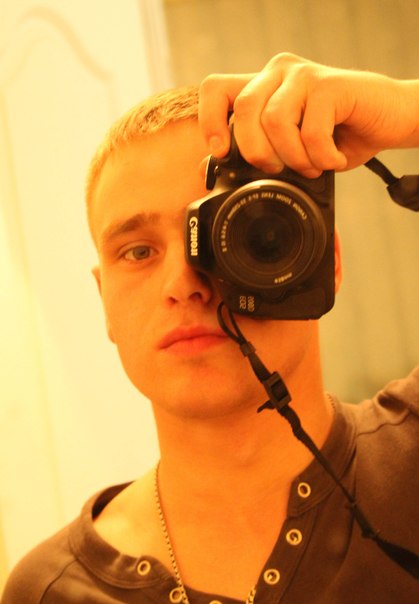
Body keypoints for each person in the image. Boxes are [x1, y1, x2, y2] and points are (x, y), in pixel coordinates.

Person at [2, 53, 419, 603]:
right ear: (105, 302)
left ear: (326, 262)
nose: (183, 283)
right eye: (138, 252)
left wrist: (405, 108)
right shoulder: (47, 591)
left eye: (242, 234)